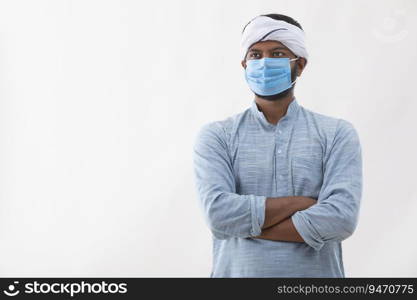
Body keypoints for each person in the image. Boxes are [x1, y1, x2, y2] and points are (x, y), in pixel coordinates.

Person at [192, 13, 363, 277]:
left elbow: (340, 220)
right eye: (256, 55)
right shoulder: (218, 136)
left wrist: (244, 225)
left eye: (278, 54)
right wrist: (300, 203)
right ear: (244, 65)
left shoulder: (336, 134)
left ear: (300, 64)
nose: (265, 63)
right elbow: (218, 215)